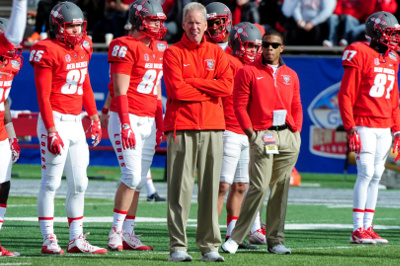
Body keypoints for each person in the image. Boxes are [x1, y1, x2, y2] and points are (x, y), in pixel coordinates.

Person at [29, 1, 106, 254]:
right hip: (56, 122)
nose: (76, 32)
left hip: (76, 122)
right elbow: (43, 97)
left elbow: (84, 83)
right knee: (50, 183)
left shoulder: (84, 46)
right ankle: (48, 238)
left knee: (80, 184)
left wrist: (94, 118)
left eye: (77, 27)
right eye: (70, 27)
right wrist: (51, 130)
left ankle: (76, 239)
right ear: (57, 27)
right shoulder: (46, 49)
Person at [222, 29, 302, 255]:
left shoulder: (291, 74)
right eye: (265, 45)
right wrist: (252, 133)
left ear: (281, 48)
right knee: (258, 186)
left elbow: (296, 105)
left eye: (274, 45)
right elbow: (239, 105)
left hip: (287, 135)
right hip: (264, 134)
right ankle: (236, 238)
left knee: (280, 189)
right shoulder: (248, 71)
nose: (269, 49)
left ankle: (275, 240)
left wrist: (296, 131)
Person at [163, 2, 233, 262]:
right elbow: (177, 91)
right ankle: (178, 246)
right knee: (180, 190)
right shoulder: (172, 53)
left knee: (210, 189)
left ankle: (209, 246)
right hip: (182, 127)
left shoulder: (217, 52)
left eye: (199, 23)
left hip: (214, 127)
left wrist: (193, 83)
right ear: (183, 24)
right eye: (190, 22)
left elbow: (227, 87)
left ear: (206, 25)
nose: (194, 27)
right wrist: (209, 87)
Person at [106, 0, 166, 252]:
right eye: (153, 20)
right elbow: (119, 91)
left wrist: (161, 122)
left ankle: (128, 232)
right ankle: (116, 231)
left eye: (160, 21)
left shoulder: (160, 47)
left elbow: (156, 90)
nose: (158, 25)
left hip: (149, 120)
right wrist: (126, 124)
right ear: (140, 20)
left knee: (139, 180)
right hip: (126, 117)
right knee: (131, 176)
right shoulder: (123, 45)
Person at [338, 11, 400, 245]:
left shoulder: (394, 57)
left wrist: (397, 129)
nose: (394, 38)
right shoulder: (359, 51)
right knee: (365, 174)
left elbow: (394, 97)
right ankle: (357, 229)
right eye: (390, 33)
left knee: (377, 176)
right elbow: (346, 93)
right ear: (375, 33)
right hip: (364, 123)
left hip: (384, 126)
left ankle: (368, 227)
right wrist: (350, 126)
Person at [205, 2, 263, 248]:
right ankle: (209, 233)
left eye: (256, 47)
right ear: (238, 44)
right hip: (228, 127)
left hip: (247, 131)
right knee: (222, 185)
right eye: (249, 46)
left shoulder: (257, 67)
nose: (253, 51)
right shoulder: (225, 58)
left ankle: (232, 232)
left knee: (241, 185)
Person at [100, 93, 166, 202]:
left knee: (138, 171)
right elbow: (115, 88)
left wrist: (159, 125)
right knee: (131, 177)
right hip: (126, 116)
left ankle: (150, 191)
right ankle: (120, 218)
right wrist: (105, 109)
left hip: (145, 116)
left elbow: (157, 92)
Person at [0, 0, 27, 255]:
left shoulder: (12, 64)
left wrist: (13, 137)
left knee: (3, 184)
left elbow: (5, 103)